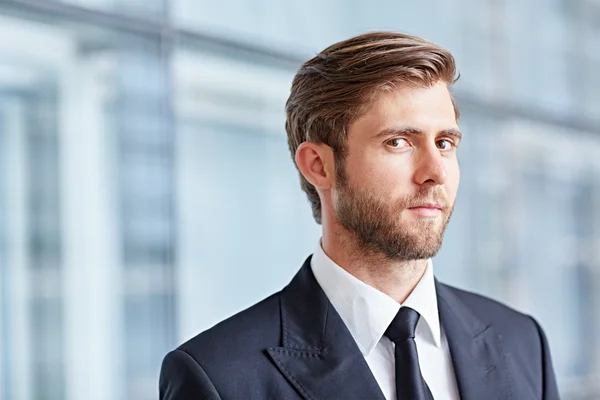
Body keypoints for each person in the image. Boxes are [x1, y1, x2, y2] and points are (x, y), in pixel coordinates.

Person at [159, 32, 560, 400]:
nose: (435, 171)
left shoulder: (523, 342)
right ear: (318, 165)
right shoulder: (218, 377)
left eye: (445, 142)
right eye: (399, 142)